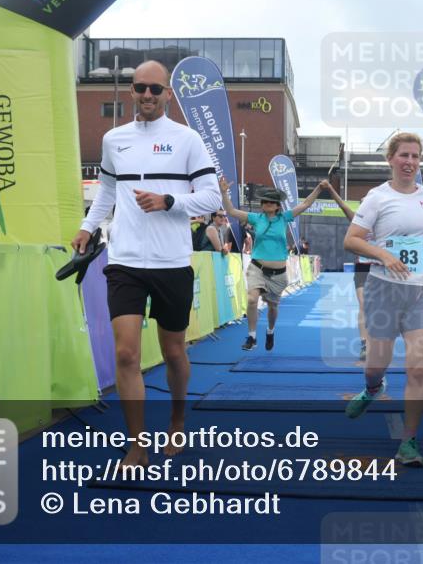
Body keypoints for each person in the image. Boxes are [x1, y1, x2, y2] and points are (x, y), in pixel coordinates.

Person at [71, 60, 221, 469]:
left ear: (168, 95)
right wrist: (87, 227)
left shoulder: (187, 139)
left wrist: (170, 202)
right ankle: (137, 444)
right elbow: (105, 193)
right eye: (141, 88)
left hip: (172, 261)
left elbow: (212, 198)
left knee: (174, 351)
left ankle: (176, 418)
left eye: (156, 89)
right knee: (125, 354)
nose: (148, 96)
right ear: (132, 91)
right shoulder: (113, 138)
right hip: (124, 260)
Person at [343, 132, 423, 467]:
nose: (410, 162)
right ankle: (372, 388)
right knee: (376, 363)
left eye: (415, 156)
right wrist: (382, 254)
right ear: (391, 159)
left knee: (417, 368)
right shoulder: (376, 198)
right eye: (404, 156)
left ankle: (408, 441)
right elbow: (352, 240)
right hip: (384, 289)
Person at [219, 178, 326, 351]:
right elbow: (230, 210)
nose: (267, 204)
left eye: (271, 202)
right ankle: (252, 337)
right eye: (264, 201)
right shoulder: (255, 218)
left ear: (277, 206)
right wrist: (224, 192)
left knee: (272, 307)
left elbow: (306, 204)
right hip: (257, 268)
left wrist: (319, 188)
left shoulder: (284, 218)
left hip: (278, 274)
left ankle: (270, 330)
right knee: (252, 300)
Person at [325, 180, 375, 360]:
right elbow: (342, 205)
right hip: (362, 268)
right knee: (363, 305)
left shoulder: (387, 223)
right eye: (362, 204)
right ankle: (364, 344)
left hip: (380, 269)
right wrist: (330, 188)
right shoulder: (356, 221)